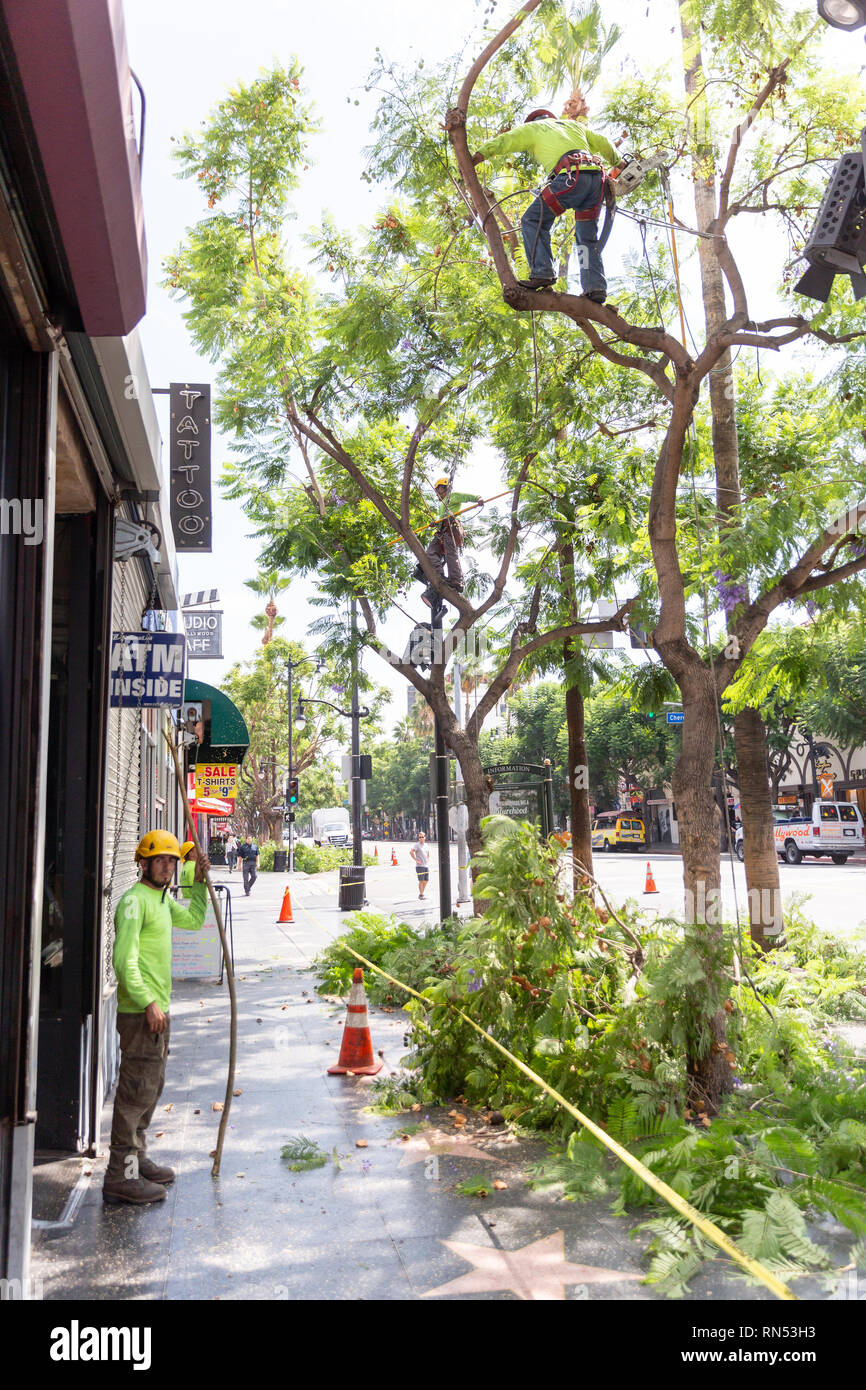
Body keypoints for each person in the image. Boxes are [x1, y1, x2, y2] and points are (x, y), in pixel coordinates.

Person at [103, 830, 210, 1207]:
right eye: (160, 860)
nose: (167, 866)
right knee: (134, 1096)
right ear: (144, 863)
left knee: (149, 1091)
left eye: (172, 861)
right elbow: (123, 960)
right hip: (141, 1013)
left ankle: (137, 1160)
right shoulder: (135, 902)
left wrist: (197, 877)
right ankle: (121, 1176)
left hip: (157, 1012)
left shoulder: (162, 900)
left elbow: (196, 921)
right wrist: (148, 1002)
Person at [472, 102, 618, 300]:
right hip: (595, 183)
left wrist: (478, 156)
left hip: (572, 179)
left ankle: (542, 271)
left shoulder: (533, 127)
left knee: (532, 220)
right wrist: (620, 162)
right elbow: (602, 142)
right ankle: (595, 287)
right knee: (586, 239)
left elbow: (507, 140)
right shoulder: (574, 126)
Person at [416, 477, 484, 617]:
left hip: (450, 527)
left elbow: (466, 497)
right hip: (441, 530)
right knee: (430, 553)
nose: (437, 493)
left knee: (451, 555)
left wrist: (478, 498)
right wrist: (435, 523)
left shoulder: (452, 496)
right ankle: (439, 575)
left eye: (439, 489)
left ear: (445, 487)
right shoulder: (442, 505)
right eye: (436, 491)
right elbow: (441, 517)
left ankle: (456, 581)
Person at [409, 830, 430, 900]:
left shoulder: (426, 845)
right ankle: (421, 894)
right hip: (419, 866)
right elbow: (411, 852)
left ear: (425, 837)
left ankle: (421, 893)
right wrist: (416, 860)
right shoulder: (416, 845)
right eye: (419, 837)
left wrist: (427, 859)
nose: (421, 838)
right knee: (421, 881)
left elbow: (428, 853)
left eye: (422, 837)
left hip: (426, 865)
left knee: (426, 880)